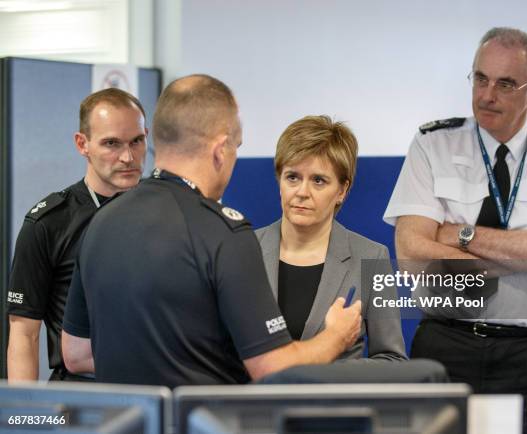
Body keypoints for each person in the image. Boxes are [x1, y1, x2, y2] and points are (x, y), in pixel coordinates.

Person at [61, 74, 362, 388]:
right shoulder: (224, 233)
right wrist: (337, 337)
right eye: (236, 146)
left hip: (128, 419)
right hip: (201, 420)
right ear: (220, 149)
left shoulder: (101, 222)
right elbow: (272, 367)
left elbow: (76, 354)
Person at [383, 27, 527, 434]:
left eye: (506, 84)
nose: (487, 95)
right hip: (445, 345)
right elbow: (413, 257)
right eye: (480, 79)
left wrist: (460, 235)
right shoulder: (433, 143)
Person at [6, 88, 147, 382]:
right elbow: (24, 334)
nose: (127, 156)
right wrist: (29, 421)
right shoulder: (48, 222)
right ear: (82, 144)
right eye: (111, 143)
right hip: (82, 393)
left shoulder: (165, 211)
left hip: (154, 386)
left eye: (137, 141)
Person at [256, 115, 406, 361]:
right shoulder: (243, 250)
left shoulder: (371, 257)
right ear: (279, 180)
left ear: (342, 190)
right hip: (257, 398)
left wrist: (333, 376)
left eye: (318, 180)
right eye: (293, 177)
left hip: (335, 399)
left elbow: (392, 360)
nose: (302, 192)